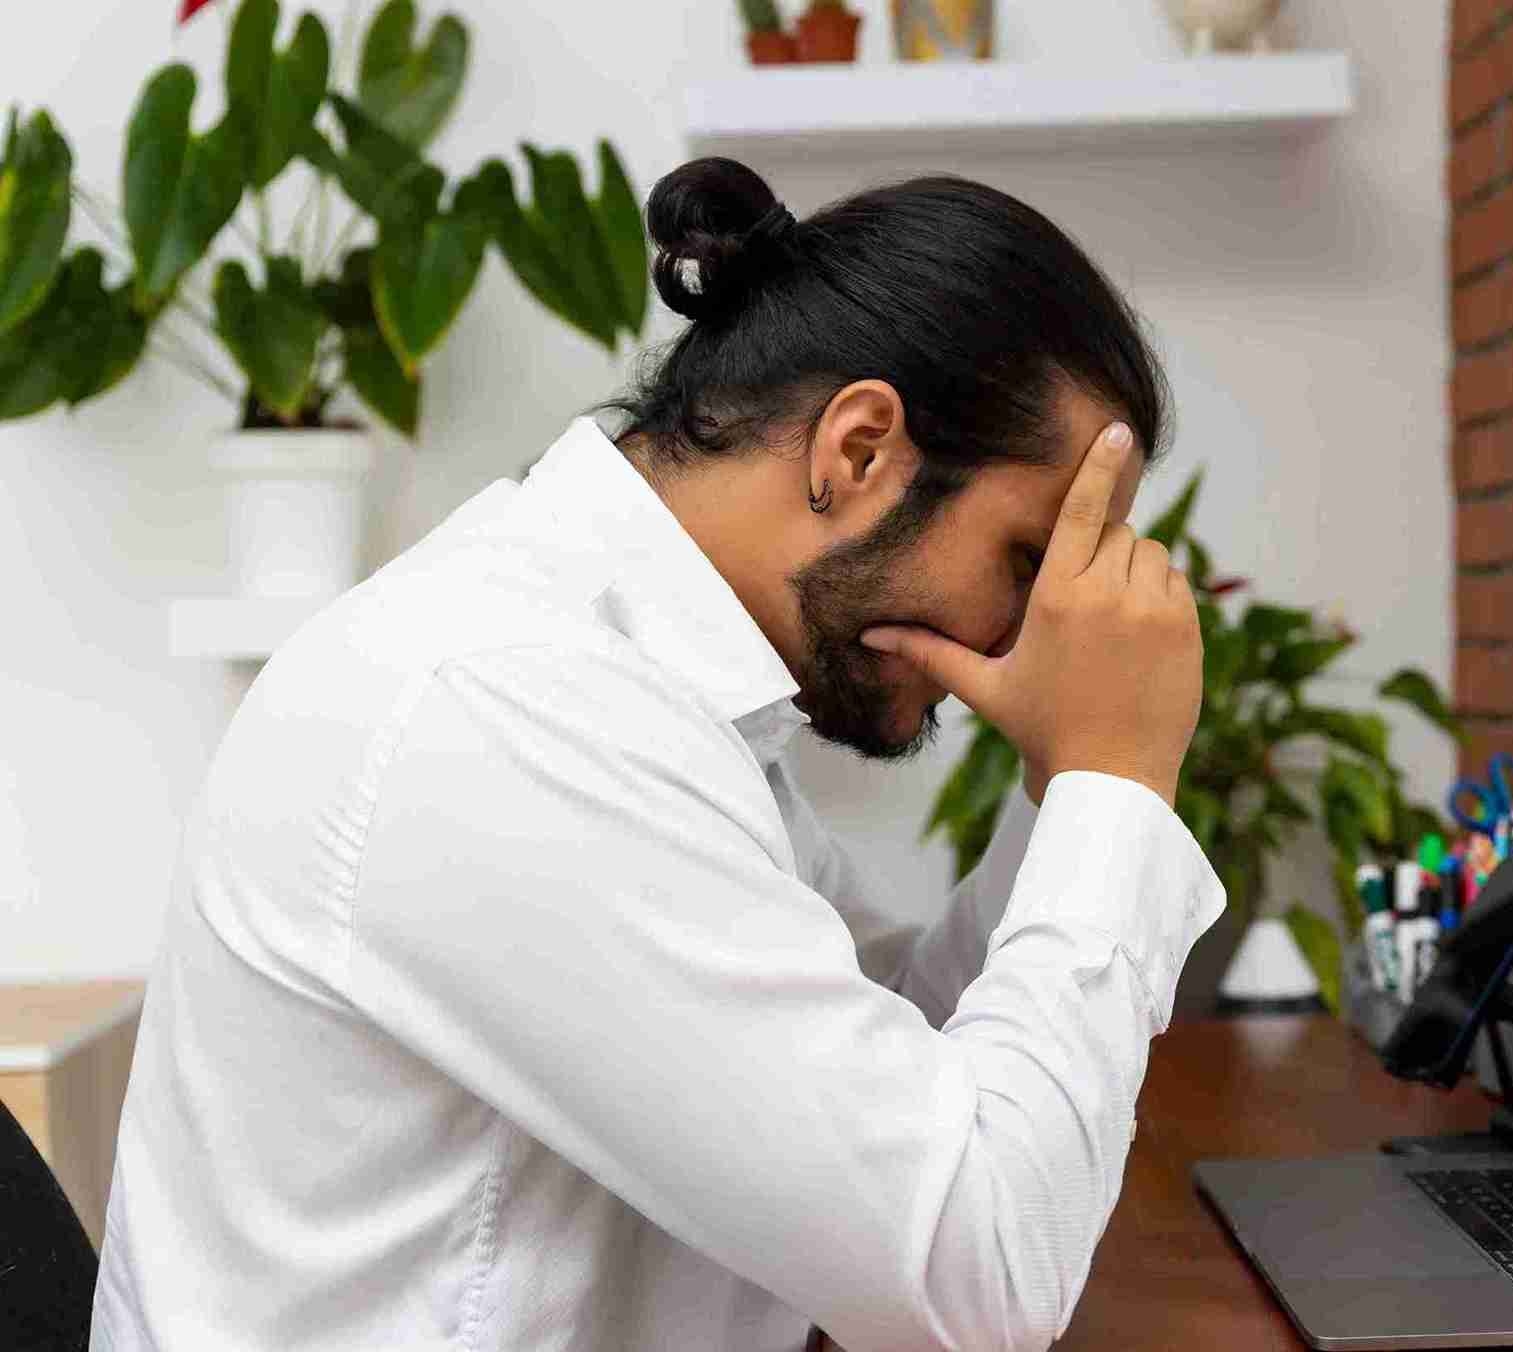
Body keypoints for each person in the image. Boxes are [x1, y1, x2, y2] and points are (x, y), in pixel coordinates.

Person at [90, 157, 1224, 1352]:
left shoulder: (640, 670)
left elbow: (891, 1063)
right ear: (856, 450)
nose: (1026, 628)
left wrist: (1066, 785)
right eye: (1024, 559)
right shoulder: (517, 704)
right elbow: (977, 1271)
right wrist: (1115, 779)